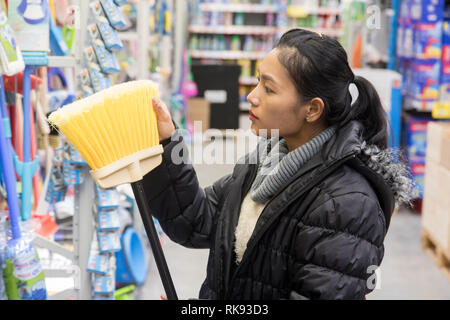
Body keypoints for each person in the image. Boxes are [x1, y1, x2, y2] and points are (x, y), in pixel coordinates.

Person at [144, 28, 413, 300]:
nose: (252, 96)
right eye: (258, 81)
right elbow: (194, 221)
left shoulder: (346, 204)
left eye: (269, 88)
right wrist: (167, 142)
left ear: (312, 109)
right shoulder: (263, 164)